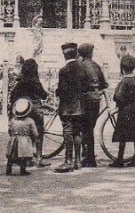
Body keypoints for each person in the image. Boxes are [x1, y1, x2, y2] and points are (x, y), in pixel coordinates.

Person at [54, 41, 89, 172]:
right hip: (80, 106)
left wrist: (57, 92)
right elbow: (86, 87)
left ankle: (68, 161)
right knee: (77, 132)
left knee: (68, 131)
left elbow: (62, 90)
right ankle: (78, 161)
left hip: (67, 107)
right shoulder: (82, 68)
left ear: (65, 56)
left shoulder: (64, 70)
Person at [10, 58, 50, 167]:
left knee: (24, 135)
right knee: (38, 134)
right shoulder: (35, 81)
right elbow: (43, 95)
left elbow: (12, 97)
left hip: (21, 110)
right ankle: (39, 159)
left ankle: (25, 158)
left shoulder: (20, 82)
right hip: (35, 110)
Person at [109, 54, 135, 168]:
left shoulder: (124, 82)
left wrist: (115, 96)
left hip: (125, 111)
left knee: (122, 136)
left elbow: (119, 97)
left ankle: (119, 159)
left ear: (122, 69)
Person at [77, 42, 108, 167]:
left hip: (85, 99)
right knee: (90, 127)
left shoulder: (80, 66)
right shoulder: (96, 65)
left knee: (86, 128)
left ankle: (89, 157)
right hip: (96, 99)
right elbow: (104, 83)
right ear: (90, 53)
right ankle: (88, 154)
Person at [6, 97, 38, 176]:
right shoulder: (30, 121)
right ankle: (22, 170)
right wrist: (34, 137)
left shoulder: (13, 120)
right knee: (23, 156)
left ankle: (8, 169)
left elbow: (9, 130)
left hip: (13, 139)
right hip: (24, 141)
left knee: (11, 155)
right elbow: (35, 132)